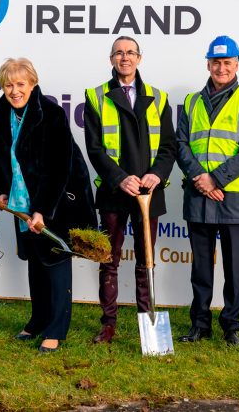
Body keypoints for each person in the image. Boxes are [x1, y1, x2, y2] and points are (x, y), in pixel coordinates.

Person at [0, 58, 97, 353]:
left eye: (20, 84)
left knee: (55, 261)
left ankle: (56, 330)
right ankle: (38, 320)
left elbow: (59, 167)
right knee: (36, 262)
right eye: (8, 85)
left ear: (33, 84)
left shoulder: (51, 114)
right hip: (20, 201)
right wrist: (0, 190)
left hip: (56, 200)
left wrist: (43, 210)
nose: (14, 91)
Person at [84, 36, 176, 344]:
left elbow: (168, 147)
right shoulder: (96, 96)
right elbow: (95, 149)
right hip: (114, 192)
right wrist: (119, 178)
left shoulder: (158, 97)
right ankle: (108, 325)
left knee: (145, 261)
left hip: (149, 193)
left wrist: (156, 175)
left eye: (131, 53)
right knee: (109, 262)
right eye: (119, 53)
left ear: (139, 58)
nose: (125, 58)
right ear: (111, 59)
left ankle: (146, 326)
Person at [175, 35, 239, 346]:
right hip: (198, 195)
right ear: (208, 64)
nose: (221, 68)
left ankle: (231, 326)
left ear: (237, 63)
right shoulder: (190, 101)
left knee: (234, 269)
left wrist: (216, 179)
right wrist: (201, 177)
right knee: (201, 268)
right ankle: (199, 325)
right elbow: (181, 145)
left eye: (227, 62)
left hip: (232, 197)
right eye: (216, 62)